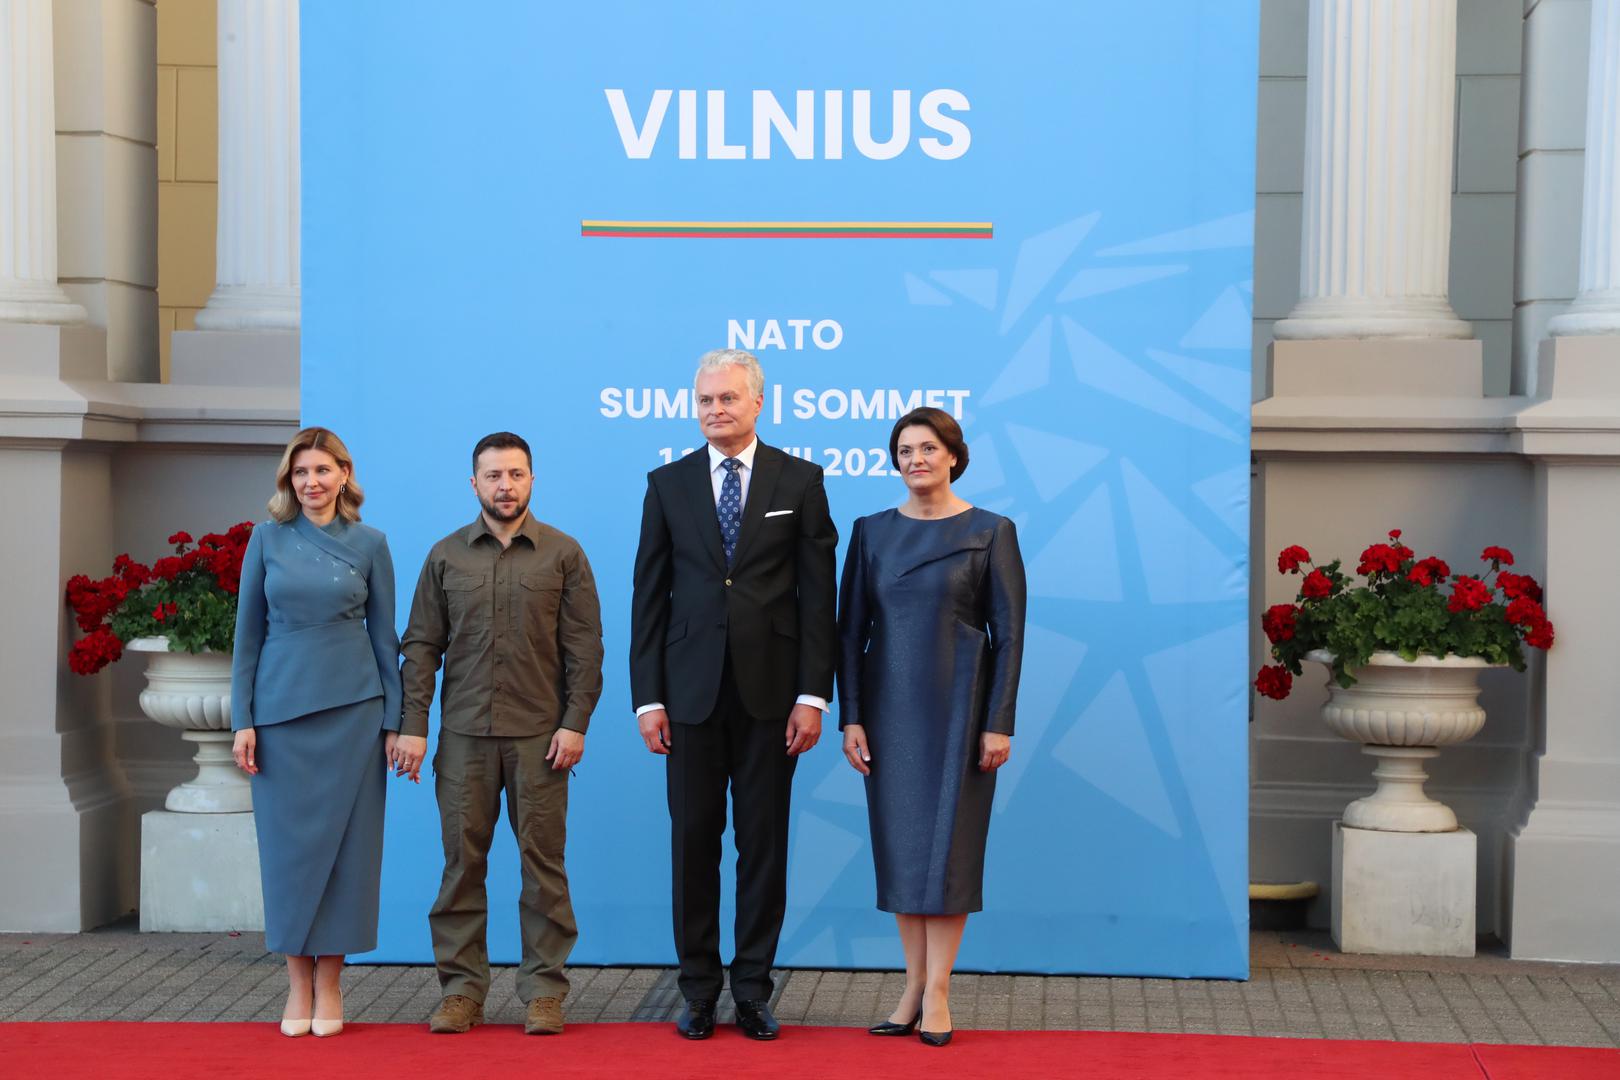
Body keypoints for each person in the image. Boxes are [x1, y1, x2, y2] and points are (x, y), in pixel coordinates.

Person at [630, 348, 838, 1041]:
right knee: (692, 845)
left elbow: (818, 599)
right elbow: (648, 599)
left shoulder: (800, 481)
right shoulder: (667, 484)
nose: (716, 410)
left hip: (772, 699)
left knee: (763, 847)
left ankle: (751, 990)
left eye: (727, 399)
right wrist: (647, 699)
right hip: (686, 698)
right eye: (705, 400)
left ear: (757, 403)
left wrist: (814, 695)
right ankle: (696, 992)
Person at [397, 432, 604, 1037]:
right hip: (463, 739)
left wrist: (574, 723)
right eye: (493, 476)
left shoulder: (563, 554)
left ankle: (544, 992)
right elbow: (420, 647)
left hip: (541, 740)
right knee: (462, 864)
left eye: (515, 474)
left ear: (532, 480)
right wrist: (413, 727)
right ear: (475, 484)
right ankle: (462, 991)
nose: (505, 486)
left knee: (544, 866)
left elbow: (584, 650)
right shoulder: (445, 557)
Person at [836, 407, 1026, 1048]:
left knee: (948, 853)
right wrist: (852, 716)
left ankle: (939, 989)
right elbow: (850, 634)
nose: (915, 459)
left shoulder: (991, 531)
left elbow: (1010, 636)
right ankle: (912, 986)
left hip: (961, 713)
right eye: (904, 449)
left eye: (927, 448)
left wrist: (998, 722)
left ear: (953, 455)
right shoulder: (870, 533)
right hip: (888, 714)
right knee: (905, 851)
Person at [230, 426, 405, 1039]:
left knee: (347, 856)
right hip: (278, 717)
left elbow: (387, 642)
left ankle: (330, 983)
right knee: (288, 856)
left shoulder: (372, 543)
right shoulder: (266, 540)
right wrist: (242, 719)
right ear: (289, 480)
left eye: (323, 471)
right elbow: (246, 636)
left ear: (343, 476)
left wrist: (395, 723)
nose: (311, 482)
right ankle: (295, 982)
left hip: (355, 714)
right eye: (301, 472)